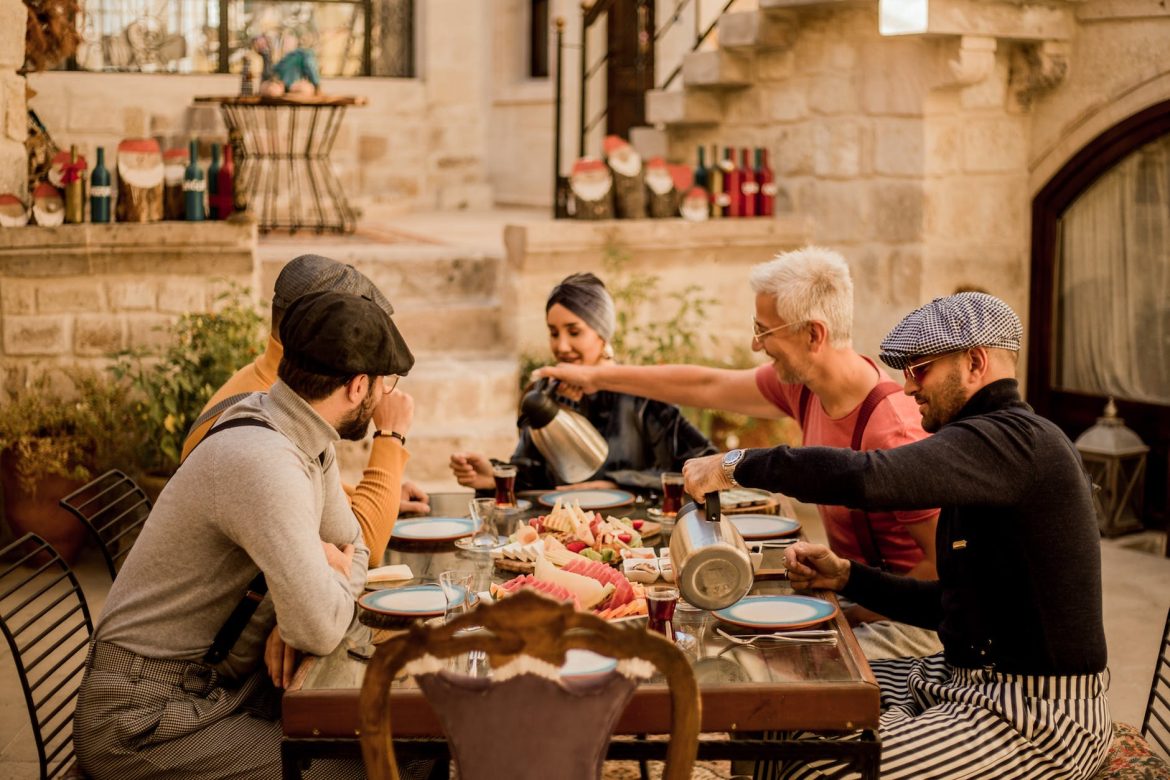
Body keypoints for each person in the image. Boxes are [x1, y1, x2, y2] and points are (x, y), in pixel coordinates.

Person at [682, 292, 1111, 780]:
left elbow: (868, 477)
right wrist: (848, 577)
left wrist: (736, 465)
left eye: (920, 368)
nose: (907, 388)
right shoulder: (986, 447)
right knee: (776, 706)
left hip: (1036, 717)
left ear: (975, 363)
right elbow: (949, 604)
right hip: (959, 678)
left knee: (817, 770)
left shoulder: (1017, 440)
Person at [74, 290, 417, 779]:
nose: (390, 394)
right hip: (143, 721)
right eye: (387, 382)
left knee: (403, 746)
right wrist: (317, 580)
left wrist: (321, 575)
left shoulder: (299, 432)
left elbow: (354, 543)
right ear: (359, 386)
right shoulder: (266, 463)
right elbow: (319, 627)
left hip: (214, 688)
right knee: (376, 768)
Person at [536, 247, 941, 659]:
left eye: (765, 331)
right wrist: (593, 376)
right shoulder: (803, 387)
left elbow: (942, 570)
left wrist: (844, 615)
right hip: (850, 595)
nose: (754, 343)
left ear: (813, 335)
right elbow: (705, 386)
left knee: (768, 658)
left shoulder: (891, 427)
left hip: (904, 623)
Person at [181, 253, 429, 564]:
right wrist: (390, 437)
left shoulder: (262, 387)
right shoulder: (272, 419)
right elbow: (365, 548)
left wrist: (377, 495)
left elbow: (316, 504)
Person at [450, 272, 716, 493]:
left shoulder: (640, 394)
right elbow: (533, 475)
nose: (561, 346)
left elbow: (704, 466)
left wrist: (615, 485)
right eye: (553, 333)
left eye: (574, 332)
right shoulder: (545, 393)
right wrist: (494, 477)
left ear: (602, 333)